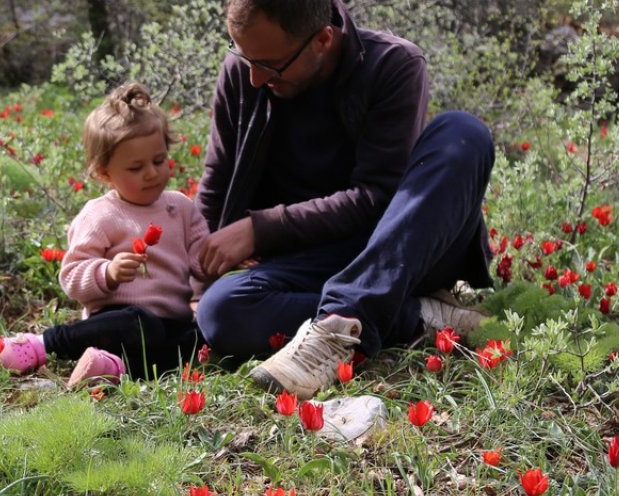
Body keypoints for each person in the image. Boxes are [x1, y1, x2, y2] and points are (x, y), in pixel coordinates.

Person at [194, 0, 496, 400]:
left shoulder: (393, 64)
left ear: (322, 39)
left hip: (396, 247)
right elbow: (217, 178)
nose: (252, 77)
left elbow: (375, 197)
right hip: (305, 260)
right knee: (221, 311)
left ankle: (339, 327)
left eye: (270, 64)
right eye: (244, 56)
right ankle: (415, 315)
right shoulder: (246, 71)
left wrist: (259, 229)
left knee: (463, 132)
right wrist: (195, 287)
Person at [0, 83, 210, 386]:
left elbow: (201, 260)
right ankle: (44, 344)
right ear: (104, 173)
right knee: (138, 324)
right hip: (118, 318)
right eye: (136, 167)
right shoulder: (101, 214)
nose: (151, 173)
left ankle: (111, 367)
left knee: (194, 342)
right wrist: (106, 272)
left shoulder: (181, 207)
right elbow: (71, 277)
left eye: (159, 161)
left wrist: (223, 258)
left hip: (170, 322)